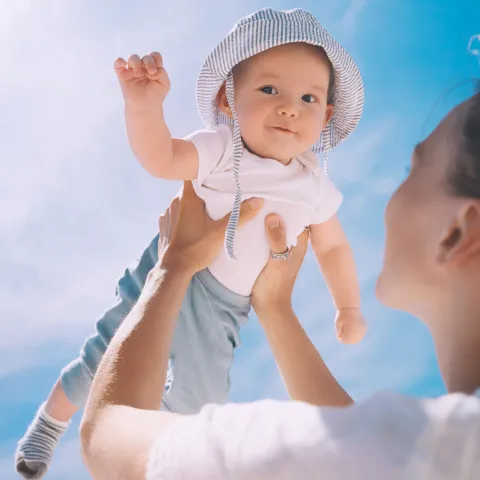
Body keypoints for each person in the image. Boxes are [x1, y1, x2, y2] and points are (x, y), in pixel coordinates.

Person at [15, 8, 367, 478]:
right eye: (269, 90)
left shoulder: (314, 184)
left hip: (225, 304)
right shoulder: (222, 148)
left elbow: (333, 248)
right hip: (165, 267)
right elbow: (162, 159)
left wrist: (348, 307)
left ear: (325, 116)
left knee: (202, 396)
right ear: (228, 99)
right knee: (103, 359)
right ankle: (49, 422)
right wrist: (144, 109)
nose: (289, 107)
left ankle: (158, 458)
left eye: (308, 97)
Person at [80, 92, 480, 480]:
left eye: (412, 170)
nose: (394, 196)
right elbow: (350, 435)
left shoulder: (425, 449)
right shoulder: (441, 450)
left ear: (456, 232)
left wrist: (173, 266)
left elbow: (107, 438)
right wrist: (275, 307)